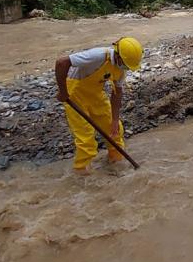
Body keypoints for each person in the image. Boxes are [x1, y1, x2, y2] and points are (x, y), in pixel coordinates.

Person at [55, 37, 143, 173]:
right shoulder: (97, 56)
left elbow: (117, 93)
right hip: (75, 94)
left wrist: (114, 120)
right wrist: (63, 91)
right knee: (86, 139)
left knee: (115, 130)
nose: (126, 69)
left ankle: (116, 163)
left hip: (95, 94)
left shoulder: (121, 67)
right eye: (126, 65)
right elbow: (62, 62)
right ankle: (81, 174)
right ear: (119, 56)